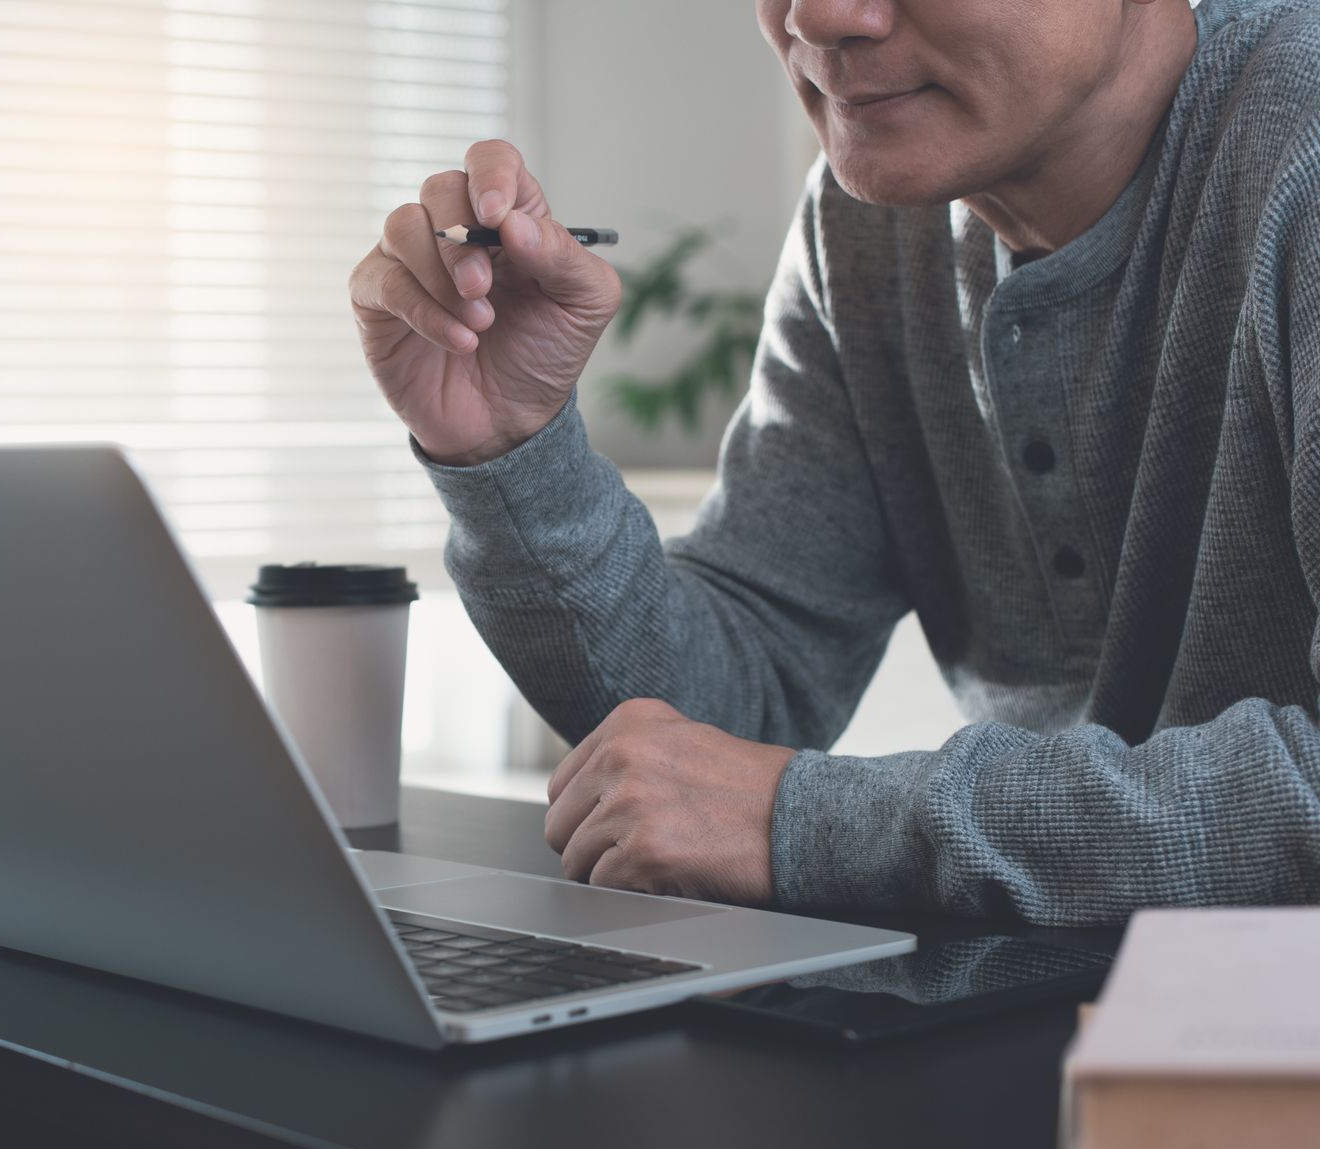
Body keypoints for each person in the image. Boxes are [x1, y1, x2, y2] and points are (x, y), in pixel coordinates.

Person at [347, 0, 1320, 925]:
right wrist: (514, 449)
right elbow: (726, 712)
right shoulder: (865, 227)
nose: (815, 18)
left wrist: (815, 824)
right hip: (1046, 1012)